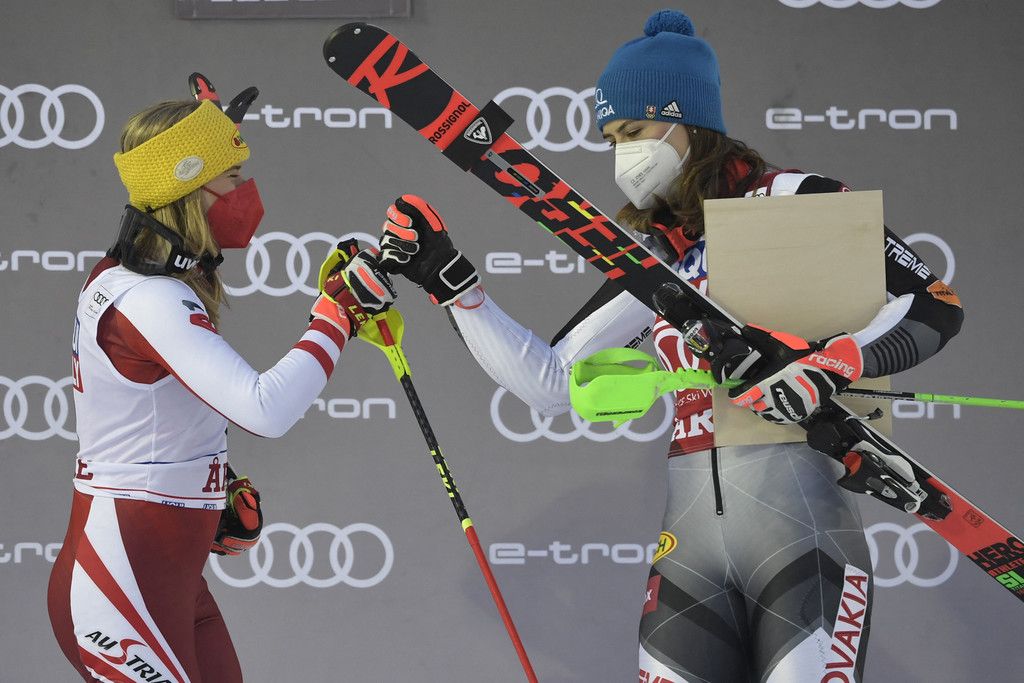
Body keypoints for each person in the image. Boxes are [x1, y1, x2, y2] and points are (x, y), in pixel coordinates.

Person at [372, 9, 964, 683]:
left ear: (688, 122)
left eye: (634, 131)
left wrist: (833, 362)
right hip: (689, 551)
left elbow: (934, 303)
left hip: (806, 537)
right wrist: (453, 285)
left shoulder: (795, 197)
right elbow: (551, 383)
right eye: (611, 139)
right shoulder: (660, 260)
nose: (622, 154)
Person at [46, 93, 395, 682]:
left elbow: (144, 413)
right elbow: (266, 410)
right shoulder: (149, 297)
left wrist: (211, 484)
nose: (245, 191)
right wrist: (338, 314)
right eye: (232, 175)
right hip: (122, 585)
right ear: (190, 184)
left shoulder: (134, 278)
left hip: (159, 580)